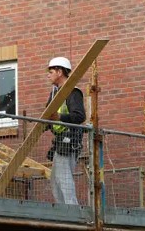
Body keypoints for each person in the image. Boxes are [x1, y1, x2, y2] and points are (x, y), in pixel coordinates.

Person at [45, 57, 86, 205]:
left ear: (59, 71)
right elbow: (49, 117)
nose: (48, 75)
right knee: (55, 180)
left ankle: (72, 211)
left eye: (51, 72)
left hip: (69, 141)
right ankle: (64, 211)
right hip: (60, 142)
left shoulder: (72, 92)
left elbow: (80, 116)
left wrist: (59, 117)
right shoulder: (55, 94)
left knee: (64, 179)